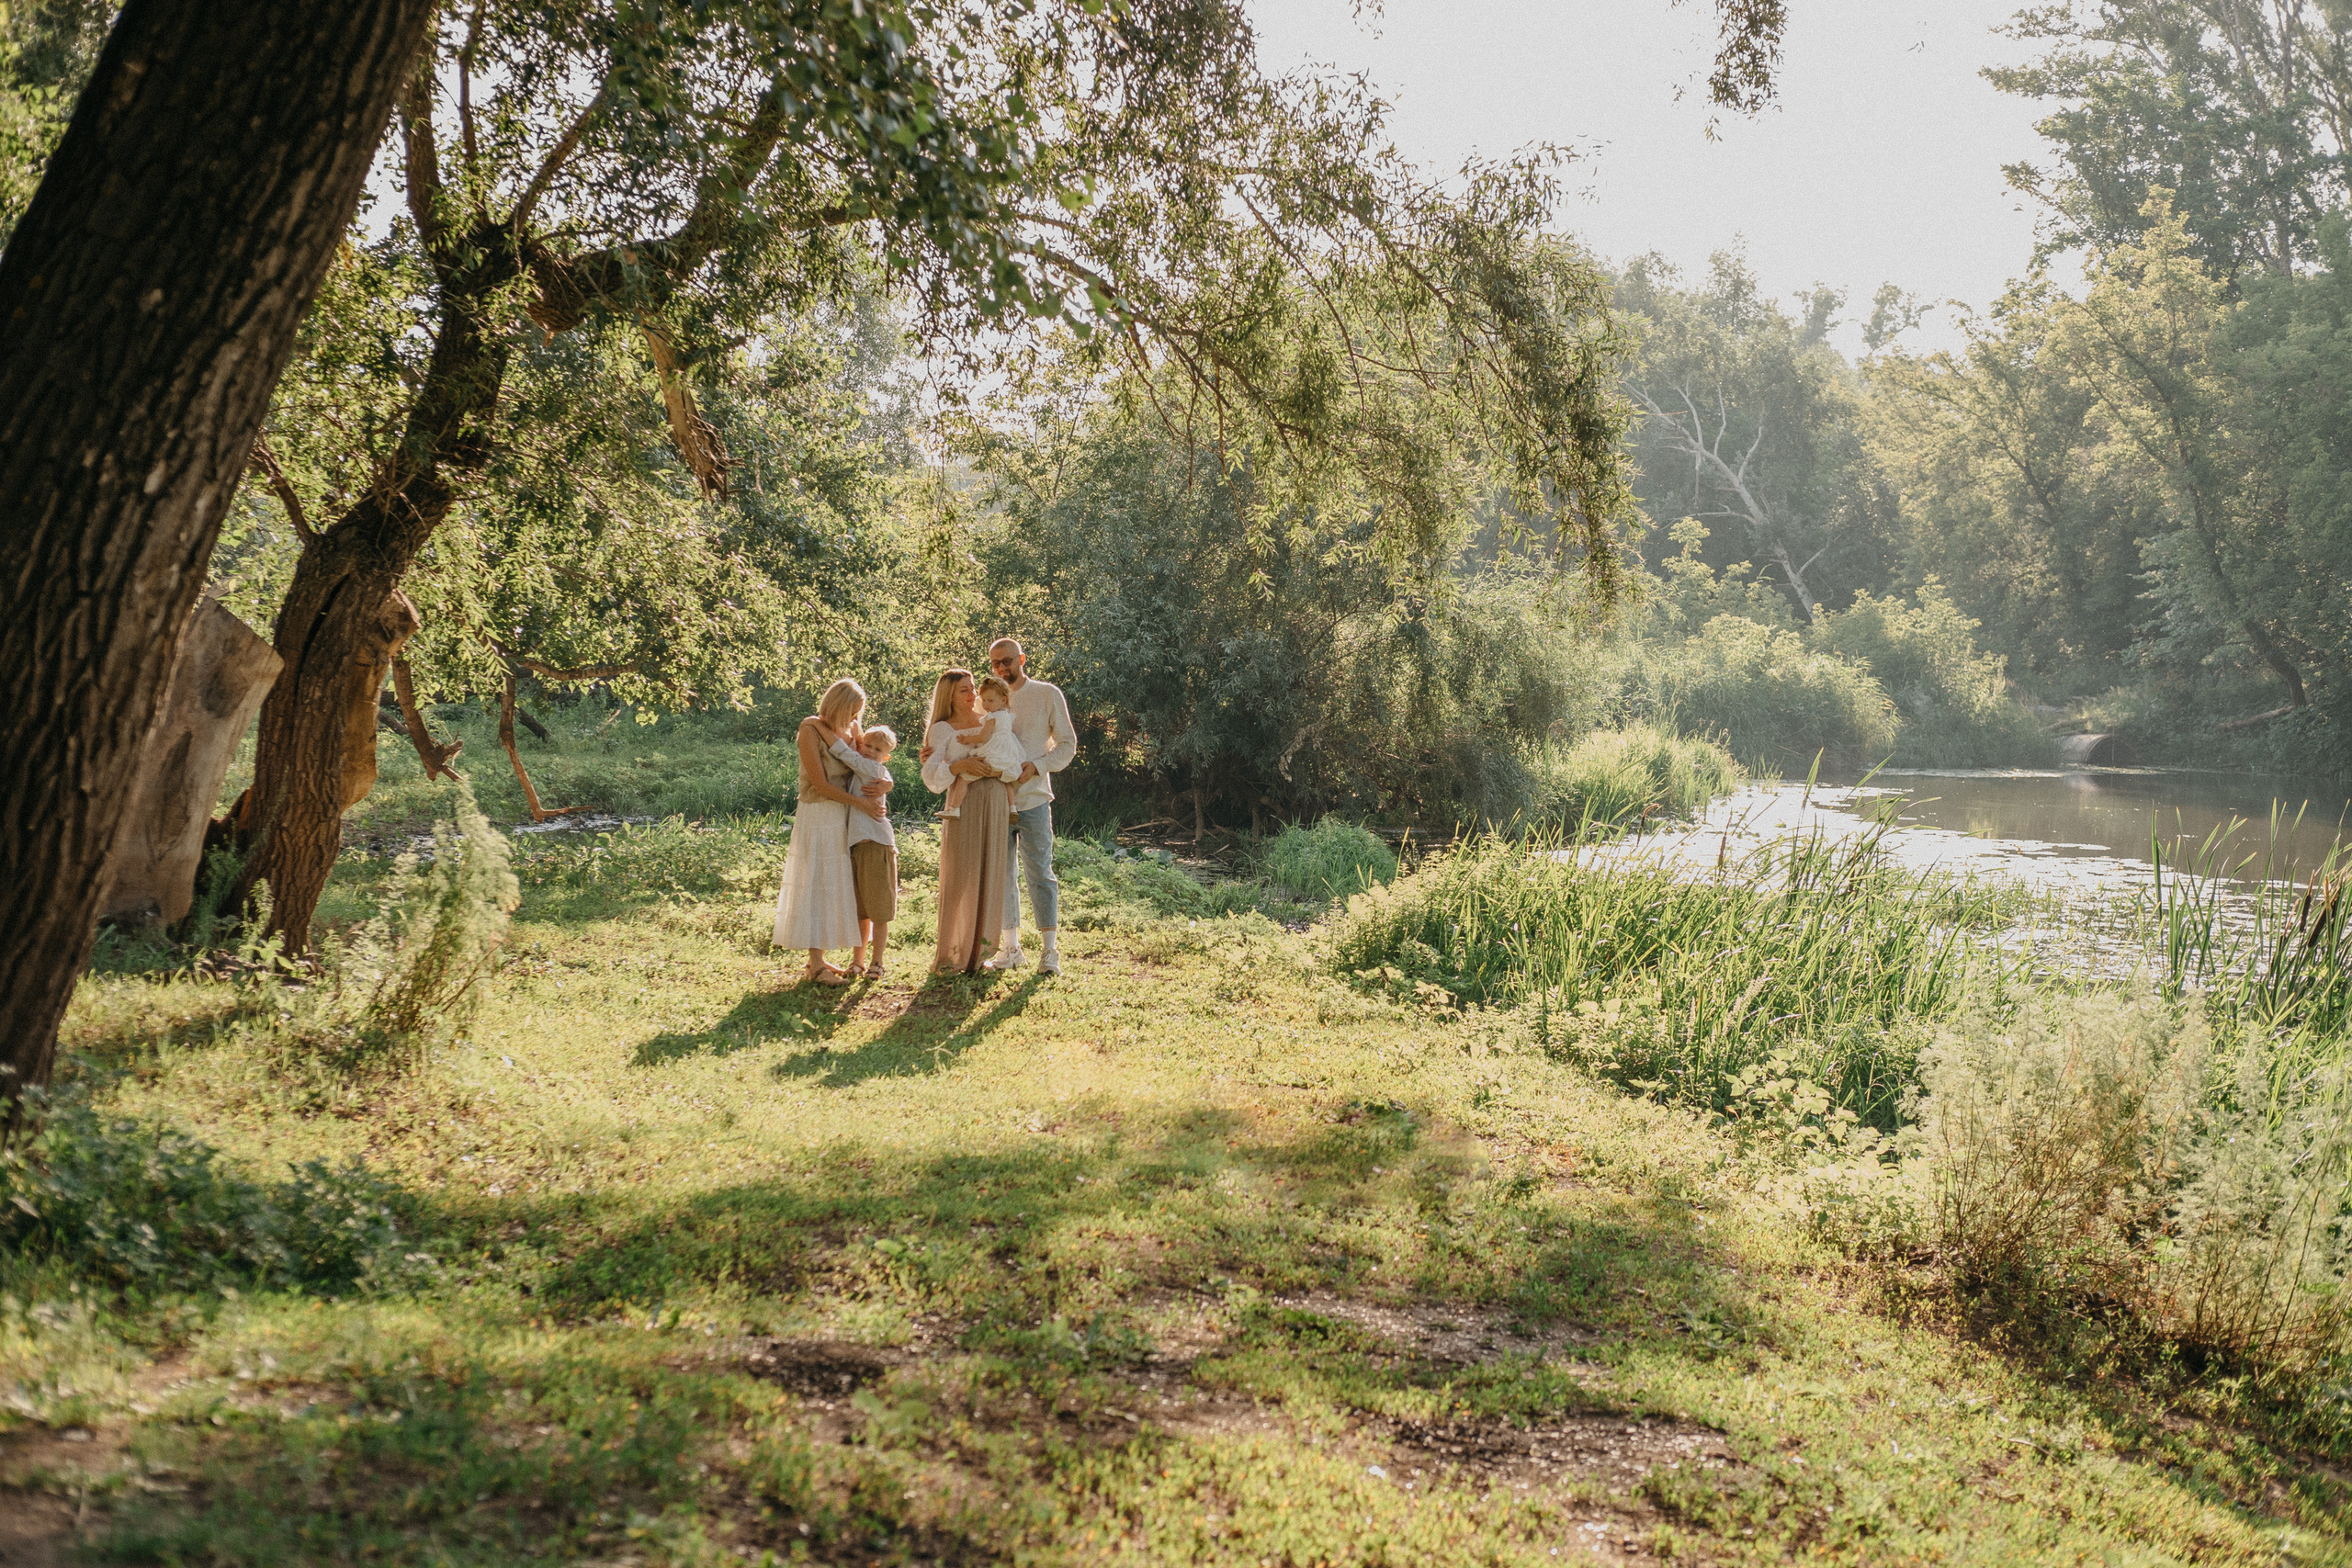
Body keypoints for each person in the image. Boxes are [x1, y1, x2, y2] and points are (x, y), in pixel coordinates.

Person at [773, 678, 888, 986]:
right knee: (817, 882)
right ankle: (814, 963)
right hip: (820, 811)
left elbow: (869, 763)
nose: (855, 718)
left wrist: (887, 783)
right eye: (852, 710)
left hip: (846, 815)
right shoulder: (809, 731)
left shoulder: (853, 730)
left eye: (858, 713)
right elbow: (821, 784)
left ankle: (821, 958)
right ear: (838, 705)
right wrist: (861, 805)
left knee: (838, 883)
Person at [987, 637, 1076, 975]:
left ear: (1022, 658)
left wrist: (1037, 766)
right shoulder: (988, 699)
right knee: (1003, 873)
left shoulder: (1046, 693)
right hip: (996, 798)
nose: (1001, 668)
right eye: (995, 663)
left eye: (1007, 661)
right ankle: (1010, 949)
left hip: (1035, 797)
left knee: (1040, 872)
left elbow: (1067, 745)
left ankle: (1050, 952)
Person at [921, 667, 1012, 975]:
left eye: (973, 688)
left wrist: (1001, 770)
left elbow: (1010, 752)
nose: (973, 695)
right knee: (960, 873)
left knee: (991, 869)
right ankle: (948, 953)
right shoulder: (942, 729)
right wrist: (963, 764)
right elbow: (935, 774)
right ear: (949, 695)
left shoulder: (991, 718)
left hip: (997, 794)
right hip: (965, 800)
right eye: (964, 690)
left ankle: (981, 954)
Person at [818, 720, 899, 978]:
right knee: (860, 909)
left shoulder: (871, 767)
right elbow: (854, 753)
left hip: (875, 843)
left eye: (877, 750)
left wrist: (820, 729)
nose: (870, 751)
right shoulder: (866, 767)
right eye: (868, 745)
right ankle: (857, 961)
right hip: (857, 846)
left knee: (880, 910)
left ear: (885, 758)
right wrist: (856, 735)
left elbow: (844, 752)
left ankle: (877, 962)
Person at [937, 675, 1026, 818]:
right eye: (984, 700)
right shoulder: (1008, 716)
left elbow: (983, 737)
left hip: (993, 755)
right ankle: (1012, 808)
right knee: (1007, 781)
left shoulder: (991, 718)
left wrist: (967, 739)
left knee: (964, 778)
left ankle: (954, 808)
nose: (985, 704)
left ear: (1003, 700)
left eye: (990, 701)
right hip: (1007, 756)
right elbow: (1011, 734)